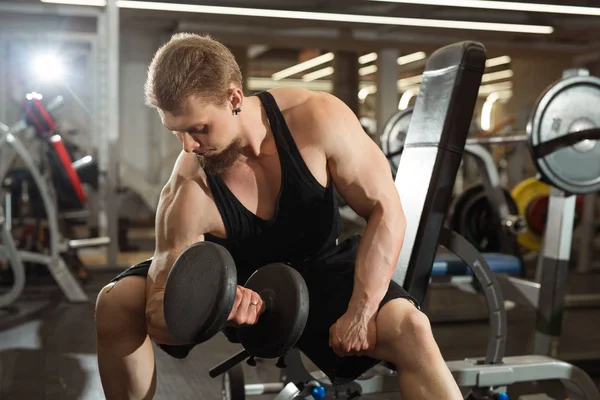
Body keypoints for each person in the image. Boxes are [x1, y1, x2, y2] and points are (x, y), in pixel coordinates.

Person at [94, 33, 463, 400]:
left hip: (318, 270)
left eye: (198, 128)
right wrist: (213, 307)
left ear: (234, 98)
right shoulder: (189, 187)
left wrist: (363, 310)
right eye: (177, 132)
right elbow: (160, 312)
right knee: (116, 301)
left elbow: (386, 208)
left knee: (412, 328)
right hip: (231, 284)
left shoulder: (317, 119)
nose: (189, 146)